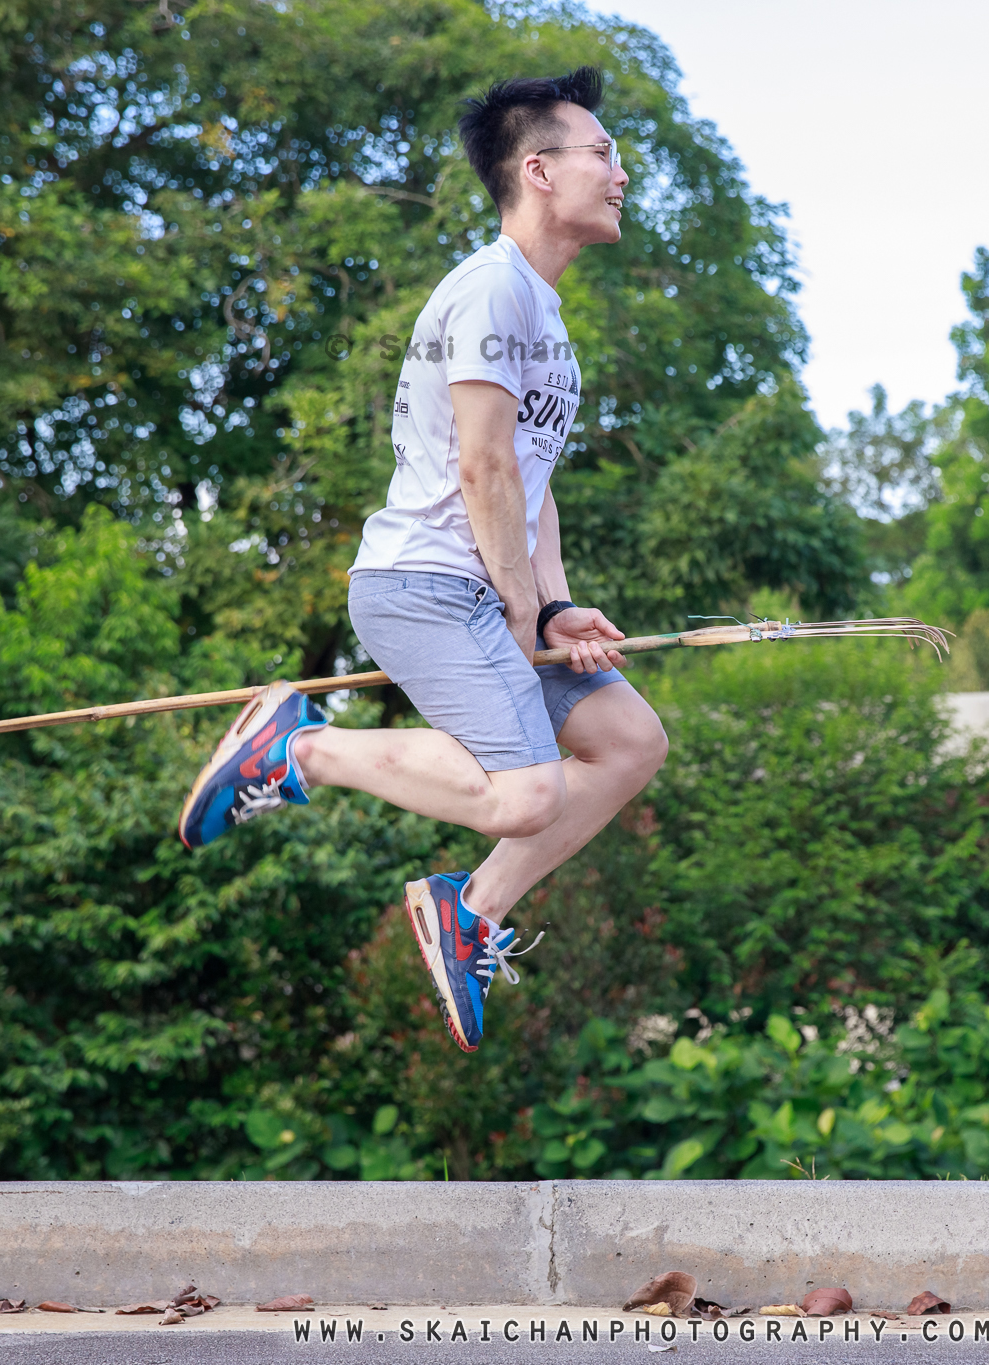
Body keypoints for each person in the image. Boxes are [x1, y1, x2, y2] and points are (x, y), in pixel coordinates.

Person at [176, 66, 668, 1054]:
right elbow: (482, 469)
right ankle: (297, 748)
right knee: (526, 790)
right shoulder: (492, 291)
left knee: (628, 743)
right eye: (602, 153)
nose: (619, 173)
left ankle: (469, 913)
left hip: (489, 594)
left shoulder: (546, 317)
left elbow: (529, 484)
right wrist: (526, 615)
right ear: (537, 169)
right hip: (427, 588)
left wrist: (558, 607)